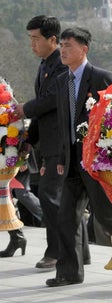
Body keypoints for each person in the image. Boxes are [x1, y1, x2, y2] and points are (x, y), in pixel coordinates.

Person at [45, 27, 112, 287]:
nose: (63, 50)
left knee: (107, 217)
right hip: (73, 161)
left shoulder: (101, 78)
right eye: (61, 45)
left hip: (97, 161)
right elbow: (65, 122)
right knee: (67, 217)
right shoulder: (62, 80)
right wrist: (62, 156)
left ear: (84, 49)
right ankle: (69, 272)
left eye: (69, 45)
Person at [14, 15, 67, 269]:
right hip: (48, 143)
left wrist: (22, 109)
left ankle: (57, 252)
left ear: (52, 39)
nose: (32, 44)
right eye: (30, 39)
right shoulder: (45, 64)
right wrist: (28, 140)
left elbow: (50, 101)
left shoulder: (62, 64)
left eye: (36, 39)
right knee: (57, 197)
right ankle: (77, 253)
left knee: (49, 195)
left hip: (61, 143)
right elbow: (41, 111)